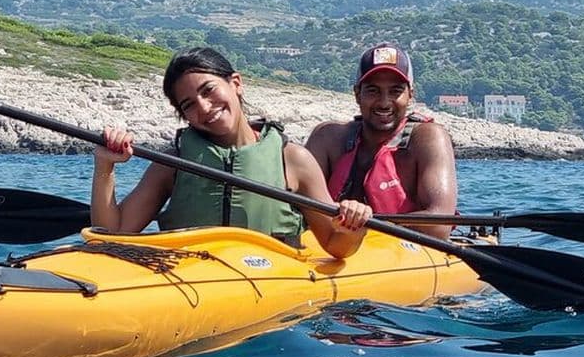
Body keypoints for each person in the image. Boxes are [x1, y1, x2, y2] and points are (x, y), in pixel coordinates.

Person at [91, 47, 373, 258]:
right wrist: (105, 167)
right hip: (188, 278)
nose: (203, 107)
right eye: (188, 104)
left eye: (209, 90)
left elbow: (336, 246)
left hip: (271, 283)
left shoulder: (293, 159)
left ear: (236, 83)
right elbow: (111, 234)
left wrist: (354, 224)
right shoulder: (174, 162)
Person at [306, 42, 457, 239]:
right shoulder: (326, 137)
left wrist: (363, 223)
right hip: (329, 251)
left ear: (411, 94)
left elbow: (440, 224)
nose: (384, 102)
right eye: (373, 90)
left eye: (395, 91)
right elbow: (296, 207)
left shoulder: (429, 139)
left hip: (405, 255)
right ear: (357, 94)